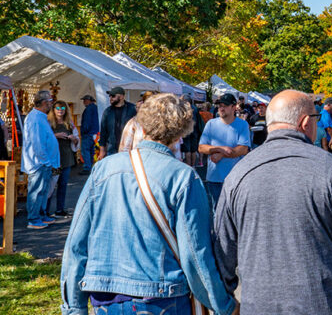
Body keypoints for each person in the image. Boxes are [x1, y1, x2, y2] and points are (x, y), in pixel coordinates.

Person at [214, 90, 332, 315]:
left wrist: (225, 301)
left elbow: (222, 249)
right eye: (316, 120)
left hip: (260, 305)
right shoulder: (329, 169)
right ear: (306, 122)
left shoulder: (238, 174)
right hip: (324, 303)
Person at [60, 93, 237, 315]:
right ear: (181, 133)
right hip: (161, 297)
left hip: (106, 297)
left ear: (141, 125)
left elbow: (76, 243)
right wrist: (223, 305)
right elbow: (195, 254)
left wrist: (74, 307)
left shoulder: (103, 169)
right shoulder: (183, 177)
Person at [198, 93, 251, 214]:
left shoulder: (242, 124)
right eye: (219, 106)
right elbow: (201, 147)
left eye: (225, 106)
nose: (221, 108)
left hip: (236, 178)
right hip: (214, 178)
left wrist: (221, 154)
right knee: (217, 214)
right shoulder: (211, 124)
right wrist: (221, 149)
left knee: (236, 214)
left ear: (233, 107)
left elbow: (243, 149)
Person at [23, 90, 60, 230]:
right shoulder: (35, 118)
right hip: (38, 163)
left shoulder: (40, 117)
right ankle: (33, 218)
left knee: (43, 191)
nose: (51, 104)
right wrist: (45, 161)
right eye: (50, 101)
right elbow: (37, 142)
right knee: (37, 191)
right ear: (45, 103)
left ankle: (41, 214)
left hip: (43, 162)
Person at [49, 100, 79, 217]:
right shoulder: (49, 123)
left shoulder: (69, 124)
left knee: (63, 184)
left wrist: (73, 138)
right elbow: (44, 138)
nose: (60, 111)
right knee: (50, 185)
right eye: (58, 109)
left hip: (66, 157)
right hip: (53, 157)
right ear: (54, 110)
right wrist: (56, 136)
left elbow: (77, 140)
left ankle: (59, 209)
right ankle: (45, 210)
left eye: (62, 109)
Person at [96, 86, 137, 160]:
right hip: (112, 149)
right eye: (110, 96)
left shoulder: (133, 109)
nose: (111, 98)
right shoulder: (107, 112)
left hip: (129, 149)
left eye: (113, 96)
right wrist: (102, 151)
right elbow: (103, 132)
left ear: (121, 97)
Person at [78, 94, 99, 174]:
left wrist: (83, 131)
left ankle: (87, 167)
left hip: (88, 133)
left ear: (89, 100)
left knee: (85, 150)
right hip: (94, 133)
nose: (84, 102)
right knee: (91, 151)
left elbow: (87, 122)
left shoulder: (89, 109)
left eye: (85, 100)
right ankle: (91, 166)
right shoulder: (95, 108)